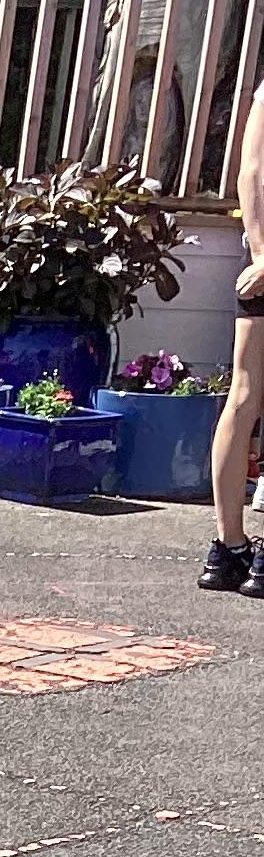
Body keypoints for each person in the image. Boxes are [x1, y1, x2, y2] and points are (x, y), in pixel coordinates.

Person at [202, 80, 264, 590]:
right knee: (243, 396)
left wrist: (262, 254)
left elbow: (252, 172)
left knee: (243, 395)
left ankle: (229, 550)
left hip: (259, 260)